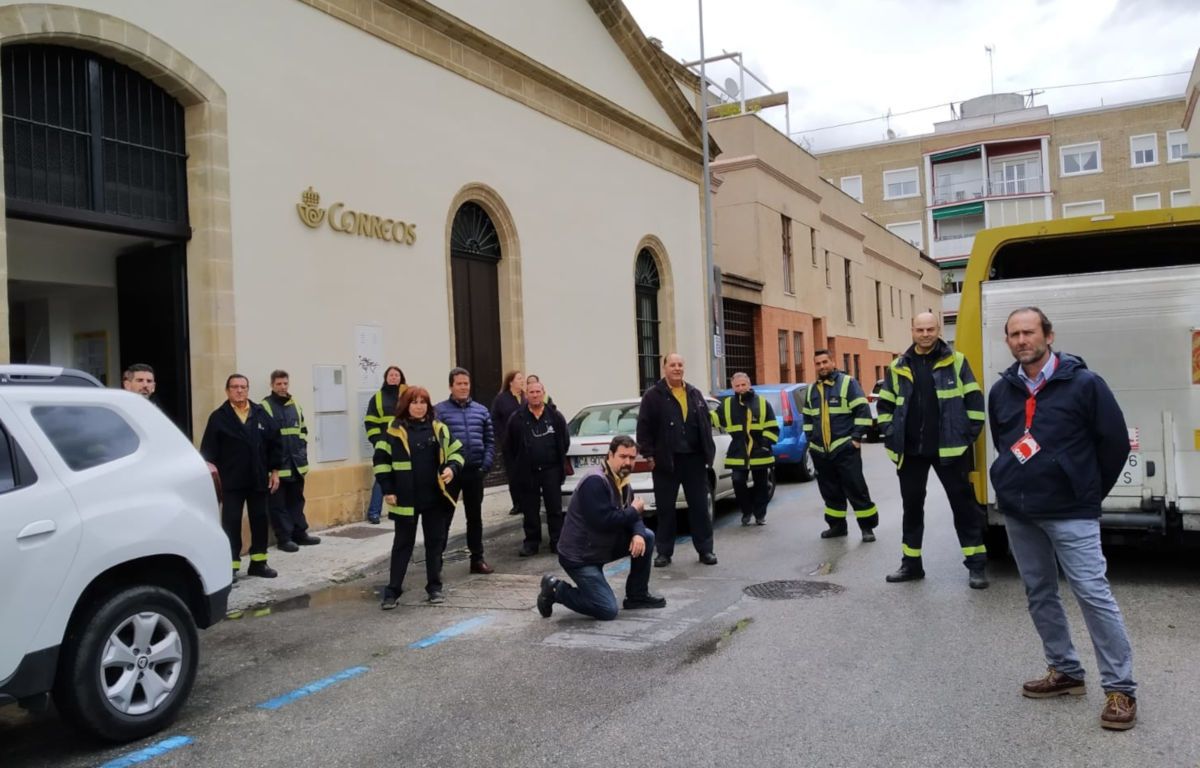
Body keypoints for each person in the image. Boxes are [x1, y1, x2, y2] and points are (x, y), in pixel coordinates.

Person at [988, 307, 1137, 731]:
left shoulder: (1085, 385)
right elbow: (1006, 444)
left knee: (1092, 594)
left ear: (1048, 335)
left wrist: (1085, 491)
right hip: (1020, 512)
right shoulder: (1002, 391)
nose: (1022, 340)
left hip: (1072, 512)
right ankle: (1065, 671)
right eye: (1014, 334)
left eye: (1029, 332)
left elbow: (1114, 445)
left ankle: (1120, 688)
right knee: (1039, 593)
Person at [877, 312, 989, 589]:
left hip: (950, 450)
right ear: (911, 330)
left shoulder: (957, 361)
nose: (925, 334)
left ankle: (976, 566)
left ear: (938, 329)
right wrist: (891, 437)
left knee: (964, 507)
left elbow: (975, 404)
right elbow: (885, 408)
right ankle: (911, 564)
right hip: (911, 452)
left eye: (930, 329)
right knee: (912, 509)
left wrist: (965, 437)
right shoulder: (898, 365)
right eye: (920, 329)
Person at [537, 435, 666, 620]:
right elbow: (602, 521)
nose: (627, 462)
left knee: (646, 536)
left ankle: (637, 596)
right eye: (623, 457)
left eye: (631, 458)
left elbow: (632, 513)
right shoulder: (595, 481)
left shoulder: (622, 480)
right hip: (580, 556)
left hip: (600, 547)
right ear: (610, 455)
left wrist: (637, 533)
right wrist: (633, 511)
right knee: (607, 610)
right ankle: (555, 590)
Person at [372, 386, 464, 608]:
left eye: (423, 402)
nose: (419, 406)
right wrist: (388, 489)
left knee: (435, 544)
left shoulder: (438, 429)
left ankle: (434, 588)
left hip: (434, 498)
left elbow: (458, 452)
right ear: (406, 405)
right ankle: (392, 592)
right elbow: (381, 461)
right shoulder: (392, 431)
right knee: (402, 545)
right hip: (404, 500)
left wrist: (452, 468)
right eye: (414, 402)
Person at [636, 353, 717, 567]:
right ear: (664, 368)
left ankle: (705, 550)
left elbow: (706, 424)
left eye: (680, 364)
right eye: (672, 365)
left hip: (695, 460)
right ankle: (664, 552)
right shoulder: (653, 396)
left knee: (700, 507)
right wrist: (649, 455)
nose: (677, 368)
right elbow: (643, 428)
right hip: (666, 462)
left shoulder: (694, 394)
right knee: (665, 510)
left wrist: (709, 452)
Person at [200, 374, 282, 581]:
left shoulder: (260, 414)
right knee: (231, 523)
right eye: (235, 387)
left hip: (257, 480)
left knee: (260, 520)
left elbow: (275, 444)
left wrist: (275, 472)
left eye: (243, 387)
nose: (239, 390)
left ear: (248, 389)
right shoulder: (218, 417)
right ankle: (231, 566)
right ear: (227, 390)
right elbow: (208, 452)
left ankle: (259, 563)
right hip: (231, 482)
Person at [802, 351, 879, 541]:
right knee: (830, 492)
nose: (822, 366)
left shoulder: (848, 383)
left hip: (845, 448)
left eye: (825, 362)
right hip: (821, 452)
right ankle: (837, 527)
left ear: (833, 362)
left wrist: (855, 438)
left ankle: (867, 528)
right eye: (818, 363)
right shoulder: (812, 390)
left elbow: (862, 411)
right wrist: (812, 442)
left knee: (856, 489)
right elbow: (808, 419)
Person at [435, 367, 495, 575]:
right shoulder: (439, 411)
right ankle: (436, 561)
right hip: (450, 473)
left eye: (466, 384)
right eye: (459, 384)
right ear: (451, 386)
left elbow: (490, 441)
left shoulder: (481, 411)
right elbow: (436, 443)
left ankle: (477, 559)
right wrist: (443, 469)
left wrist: (485, 466)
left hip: (474, 472)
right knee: (444, 518)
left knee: (475, 518)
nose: (463, 387)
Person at [505, 379, 569, 557]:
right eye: (531, 392)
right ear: (526, 394)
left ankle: (557, 541)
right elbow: (509, 446)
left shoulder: (555, 416)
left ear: (543, 393)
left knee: (554, 508)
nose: (535, 395)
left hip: (551, 470)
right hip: (527, 471)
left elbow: (565, 441)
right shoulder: (517, 418)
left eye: (538, 392)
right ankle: (532, 542)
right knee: (530, 509)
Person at [261, 370, 321, 553]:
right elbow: (264, 440)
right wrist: (272, 468)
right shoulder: (265, 406)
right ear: (272, 385)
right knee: (278, 505)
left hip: (297, 465)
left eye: (285, 383)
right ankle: (284, 538)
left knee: (297, 502)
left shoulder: (295, 405)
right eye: (278, 384)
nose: (282, 387)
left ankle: (300, 533)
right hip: (278, 468)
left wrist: (302, 451)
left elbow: (303, 431)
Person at [713, 372, 779, 526]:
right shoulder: (727, 404)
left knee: (761, 485)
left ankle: (760, 514)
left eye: (744, 385)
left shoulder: (762, 403)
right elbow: (715, 418)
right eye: (737, 386)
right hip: (738, 450)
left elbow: (772, 427)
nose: (741, 388)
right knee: (737, 481)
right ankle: (746, 511)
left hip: (759, 451)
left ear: (749, 385)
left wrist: (764, 443)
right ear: (733, 387)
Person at [363, 366, 407, 524]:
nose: (394, 377)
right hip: (385, 443)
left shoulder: (408, 395)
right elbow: (370, 421)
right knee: (382, 476)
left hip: (405, 444)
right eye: (391, 375)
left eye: (397, 375)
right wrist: (376, 440)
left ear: (401, 378)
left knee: (406, 476)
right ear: (386, 378)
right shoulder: (378, 397)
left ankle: (403, 508)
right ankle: (374, 512)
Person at [491, 369, 525, 517]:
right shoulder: (501, 399)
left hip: (527, 442)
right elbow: (494, 419)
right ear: (511, 382)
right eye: (519, 379)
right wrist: (502, 436)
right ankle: (517, 503)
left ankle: (528, 501)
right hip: (510, 443)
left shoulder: (526, 397)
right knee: (513, 474)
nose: (522, 381)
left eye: (522, 378)